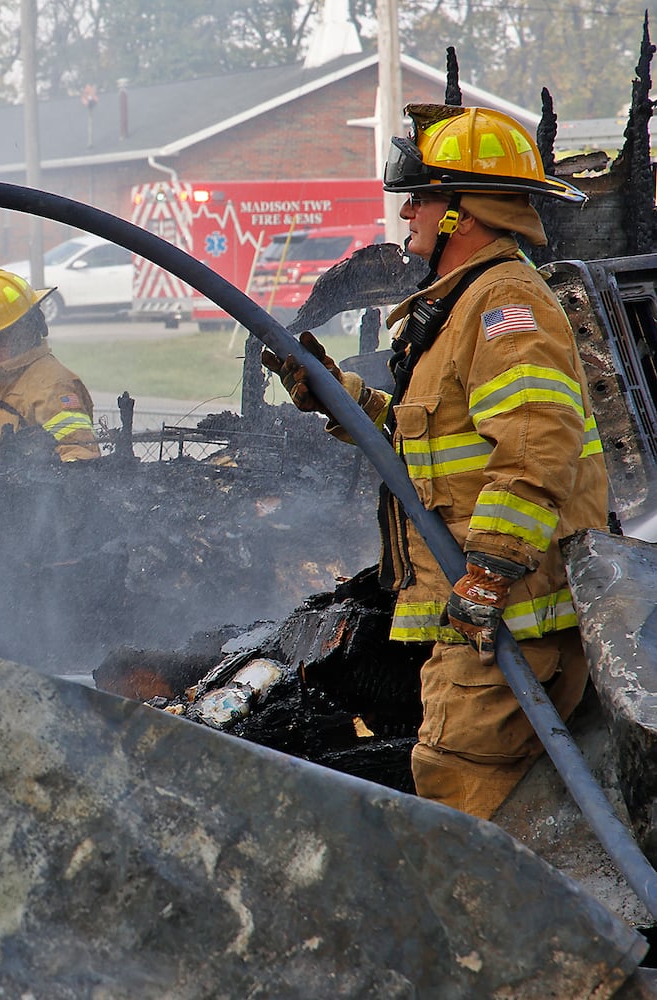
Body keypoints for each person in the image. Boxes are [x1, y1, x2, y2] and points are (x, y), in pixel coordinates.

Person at [261, 104, 609, 820]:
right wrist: (338, 396)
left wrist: (488, 571)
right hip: (486, 621)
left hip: (508, 621)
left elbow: (537, 443)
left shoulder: (503, 303)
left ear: (467, 212)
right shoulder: (463, 307)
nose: (408, 213)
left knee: (461, 800)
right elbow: (432, 446)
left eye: (422, 196)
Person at [0, 268, 100, 466]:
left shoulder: (53, 385)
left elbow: (79, 457)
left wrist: (29, 491)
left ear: (25, 331)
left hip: (28, 497)